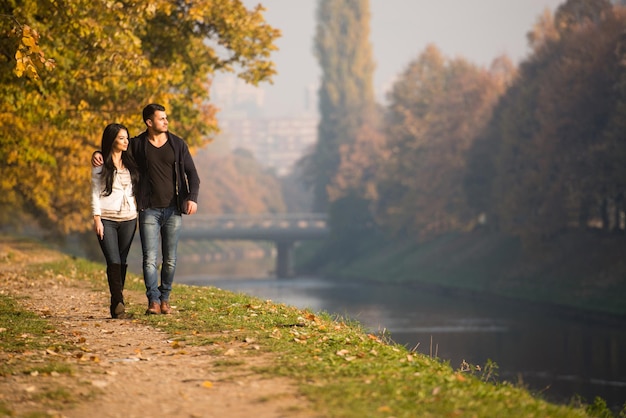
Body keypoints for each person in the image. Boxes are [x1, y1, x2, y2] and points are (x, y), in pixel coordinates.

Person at [93, 104, 200, 315]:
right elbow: (114, 148)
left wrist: (192, 199)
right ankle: (153, 300)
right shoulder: (137, 144)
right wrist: (97, 153)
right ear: (149, 122)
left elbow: (193, 175)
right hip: (148, 209)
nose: (166, 122)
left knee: (170, 259)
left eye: (166, 118)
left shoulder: (178, 145)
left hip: (173, 210)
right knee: (149, 258)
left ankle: (165, 297)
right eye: (161, 118)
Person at [91, 123, 139, 319]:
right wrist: (97, 219)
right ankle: (119, 304)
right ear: (112, 140)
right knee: (113, 260)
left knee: (123, 261)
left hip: (129, 218)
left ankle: (116, 304)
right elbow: (94, 192)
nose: (126, 141)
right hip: (107, 218)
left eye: (127, 137)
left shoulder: (132, 161)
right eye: (121, 138)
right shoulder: (100, 163)